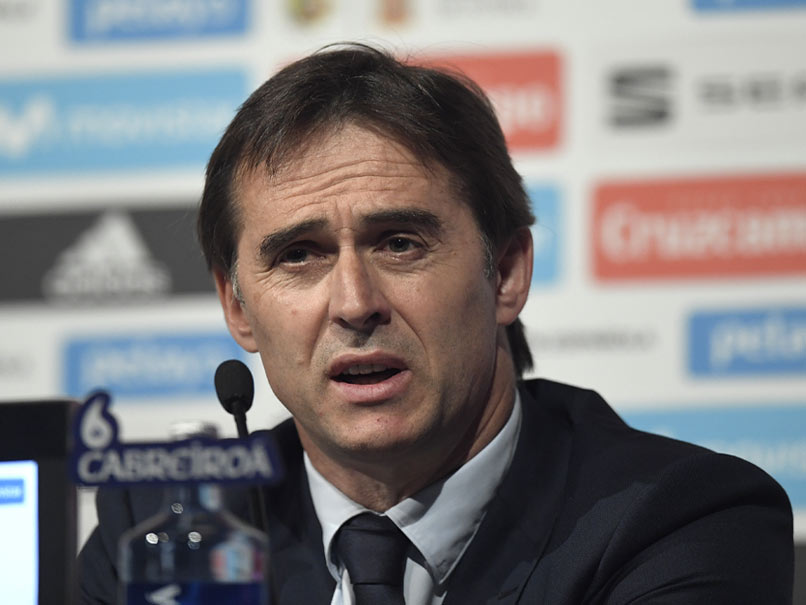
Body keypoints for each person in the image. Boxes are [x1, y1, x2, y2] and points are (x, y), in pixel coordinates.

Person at [78, 43, 794, 604]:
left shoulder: (680, 521)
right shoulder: (160, 533)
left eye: (400, 243)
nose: (354, 303)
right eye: (299, 255)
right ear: (238, 307)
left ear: (505, 272)